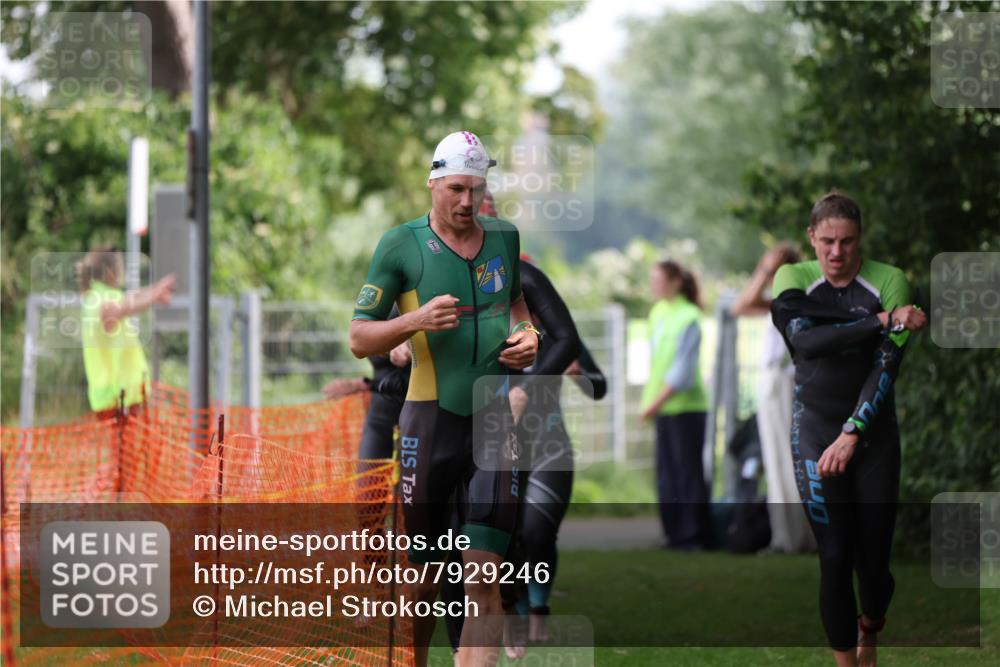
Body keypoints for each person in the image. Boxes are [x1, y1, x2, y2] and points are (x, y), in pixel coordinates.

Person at [349, 131, 539, 667]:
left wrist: (530, 339)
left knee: (486, 576)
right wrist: (413, 321)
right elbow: (359, 336)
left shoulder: (504, 237)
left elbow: (520, 307)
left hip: (494, 422)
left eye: (476, 190)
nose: (466, 202)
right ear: (433, 183)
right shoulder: (399, 245)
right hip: (429, 423)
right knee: (423, 584)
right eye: (456, 188)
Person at [770, 192, 926, 667]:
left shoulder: (889, 280)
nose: (837, 253)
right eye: (828, 242)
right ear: (811, 238)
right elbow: (806, 340)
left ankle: (871, 627)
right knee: (834, 556)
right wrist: (880, 320)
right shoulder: (793, 277)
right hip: (813, 429)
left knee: (873, 565)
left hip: (872, 434)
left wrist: (854, 429)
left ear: (861, 240)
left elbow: (886, 365)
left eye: (848, 242)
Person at [730, 244, 816, 554]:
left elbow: (745, 305)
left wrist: (772, 270)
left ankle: (798, 536)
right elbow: (741, 306)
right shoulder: (776, 304)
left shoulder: (797, 301)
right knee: (776, 459)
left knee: (789, 457)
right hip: (771, 381)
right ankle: (786, 535)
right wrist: (764, 271)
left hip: (785, 381)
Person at [641, 260, 711, 551]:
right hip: (664, 408)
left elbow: (682, 370)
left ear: (675, 282)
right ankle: (673, 534)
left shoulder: (689, 316)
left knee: (687, 474)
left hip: (687, 408)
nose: (653, 285)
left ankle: (694, 536)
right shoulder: (658, 312)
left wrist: (654, 404)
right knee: (667, 475)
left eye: (658, 280)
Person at [76, 246, 175, 418]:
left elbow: (130, 297)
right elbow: (121, 308)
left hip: (121, 396)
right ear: (109, 271)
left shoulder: (101, 295)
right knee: (124, 445)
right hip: (116, 396)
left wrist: (155, 290)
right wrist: (154, 295)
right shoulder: (100, 300)